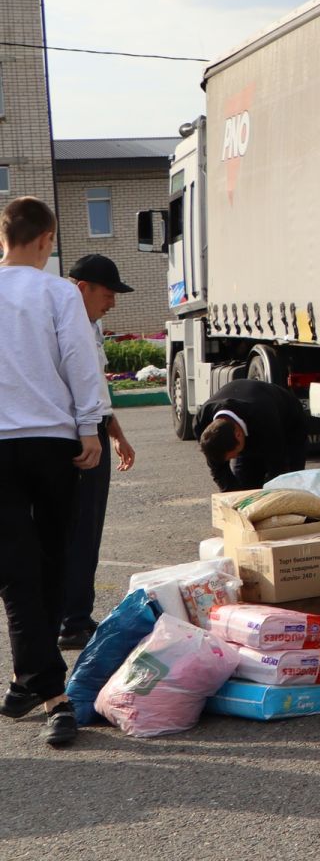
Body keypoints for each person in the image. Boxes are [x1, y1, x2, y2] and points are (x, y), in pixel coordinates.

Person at [0, 197, 109, 748]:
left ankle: (29, 681)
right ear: (46, 239)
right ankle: (54, 697)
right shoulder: (59, 293)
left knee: (17, 574)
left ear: (4, 237)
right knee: (53, 560)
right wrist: (90, 427)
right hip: (51, 442)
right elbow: (78, 361)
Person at [57, 255, 138, 649]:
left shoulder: (90, 325)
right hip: (79, 438)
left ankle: (71, 616)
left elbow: (98, 389)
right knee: (80, 530)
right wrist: (96, 434)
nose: (113, 302)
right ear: (81, 287)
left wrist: (118, 434)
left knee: (82, 530)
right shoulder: (65, 326)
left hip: (93, 431)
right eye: (107, 294)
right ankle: (72, 621)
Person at [195, 377, 311, 492]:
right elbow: (218, 469)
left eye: (233, 455)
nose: (232, 459)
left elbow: (278, 467)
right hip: (251, 425)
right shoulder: (202, 422)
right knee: (245, 489)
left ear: (238, 435)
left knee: (287, 487)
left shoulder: (265, 418)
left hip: (288, 427)